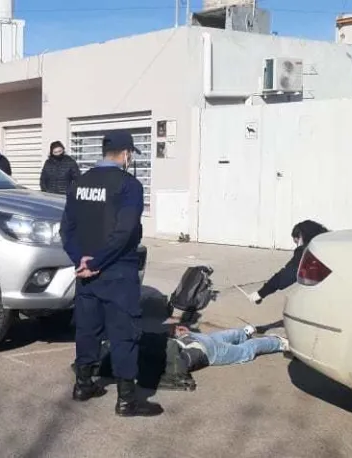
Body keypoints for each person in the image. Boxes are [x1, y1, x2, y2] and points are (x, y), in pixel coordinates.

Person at [61, 130, 162, 417]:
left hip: (86, 274)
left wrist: (81, 260)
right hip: (117, 271)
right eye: (131, 155)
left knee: (87, 329)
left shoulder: (79, 183)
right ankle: (127, 401)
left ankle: (83, 385)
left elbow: (66, 229)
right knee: (123, 334)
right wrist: (98, 262)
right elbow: (125, 231)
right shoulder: (129, 185)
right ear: (126, 154)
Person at [246, 220, 329, 304]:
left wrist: (260, 293)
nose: (297, 246)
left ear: (301, 236)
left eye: (297, 242)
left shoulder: (307, 252)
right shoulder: (328, 243)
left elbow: (285, 276)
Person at [174, 325, 288, 371]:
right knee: (226, 335)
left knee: (245, 351)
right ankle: (244, 333)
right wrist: (181, 333)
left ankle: (279, 343)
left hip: (205, 353)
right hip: (193, 339)